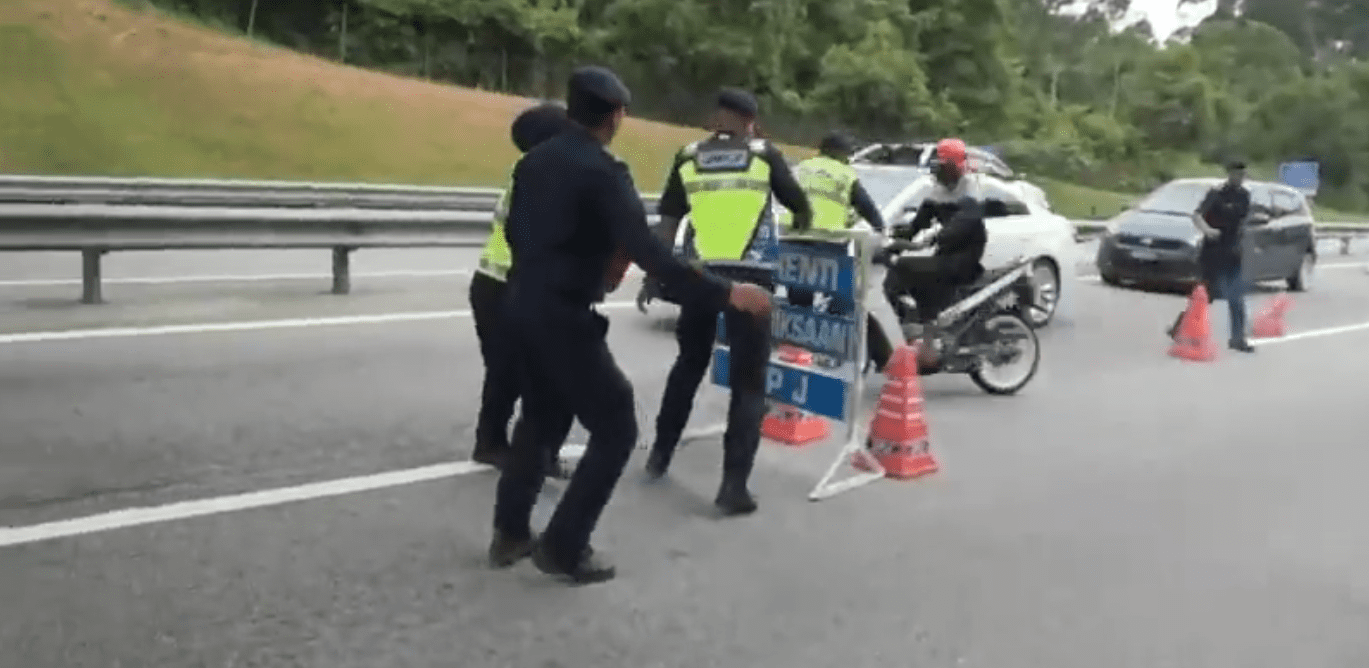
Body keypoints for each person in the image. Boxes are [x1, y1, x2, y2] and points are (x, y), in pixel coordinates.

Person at [488, 66, 774, 585]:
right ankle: (565, 545)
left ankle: (509, 533)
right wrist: (727, 293)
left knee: (540, 420)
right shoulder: (603, 171)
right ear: (617, 116)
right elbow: (651, 253)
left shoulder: (533, 163)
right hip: (562, 316)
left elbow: (517, 232)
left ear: (571, 108)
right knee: (617, 425)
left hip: (518, 306)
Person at [643, 87, 813, 516]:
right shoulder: (763, 154)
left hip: (700, 277)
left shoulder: (687, 156)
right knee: (748, 383)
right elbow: (799, 205)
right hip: (752, 278)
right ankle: (732, 487)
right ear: (750, 120)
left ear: (715, 117)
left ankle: (659, 455)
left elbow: (667, 222)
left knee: (688, 365)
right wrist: (800, 227)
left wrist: (654, 274)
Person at [470, 102, 576, 472]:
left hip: (496, 283)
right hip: (507, 284)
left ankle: (514, 446)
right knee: (520, 373)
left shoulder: (530, 167)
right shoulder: (542, 172)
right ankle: (503, 446)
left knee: (518, 373)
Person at [783, 130, 894, 372]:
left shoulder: (802, 168)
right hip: (829, 243)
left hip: (795, 241)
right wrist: (882, 228)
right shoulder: (844, 173)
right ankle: (825, 342)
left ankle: (799, 353)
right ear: (838, 152)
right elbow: (864, 204)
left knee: (799, 298)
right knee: (844, 296)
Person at [1167, 160, 1294, 353]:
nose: (1239, 177)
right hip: (1212, 251)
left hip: (1233, 252)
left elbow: (1246, 221)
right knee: (1204, 295)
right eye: (1236, 173)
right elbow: (1197, 216)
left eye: (1242, 174)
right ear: (1229, 174)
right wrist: (1208, 230)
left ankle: (1237, 339)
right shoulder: (1216, 194)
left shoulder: (1244, 196)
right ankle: (1180, 328)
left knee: (1236, 298)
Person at [884, 137, 988, 366]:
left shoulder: (970, 189)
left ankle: (928, 340)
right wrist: (890, 235)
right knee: (898, 270)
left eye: (943, 165)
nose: (938, 169)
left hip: (965, 257)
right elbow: (918, 224)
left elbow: (963, 222)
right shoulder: (937, 191)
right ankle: (912, 328)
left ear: (954, 167)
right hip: (945, 253)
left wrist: (934, 238)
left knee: (906, 267)